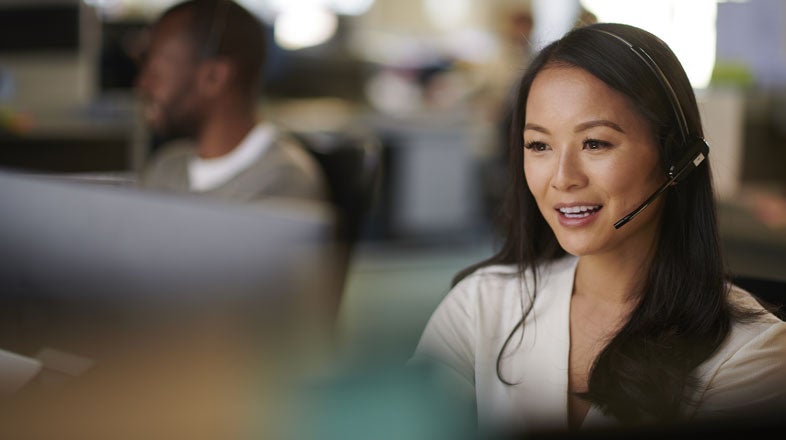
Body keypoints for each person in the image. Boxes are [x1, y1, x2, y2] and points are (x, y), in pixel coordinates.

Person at [411, 22, 786, 436]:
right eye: (539, 145)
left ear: (676, 158)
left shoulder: (754, 352)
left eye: (595, 143)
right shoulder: (481, 305)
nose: (562, 178)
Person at [135, 0, 328, 204]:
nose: (142, 84)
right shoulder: (167, 167)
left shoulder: (285, 184)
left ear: (214, 78)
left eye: (155, 71)